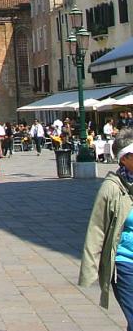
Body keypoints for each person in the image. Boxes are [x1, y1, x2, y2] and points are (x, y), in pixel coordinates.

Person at [80, 129, 133, 329]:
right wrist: (90, 270)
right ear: (124, 158)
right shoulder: (111, 188)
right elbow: (97, 229)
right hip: (125, 263)